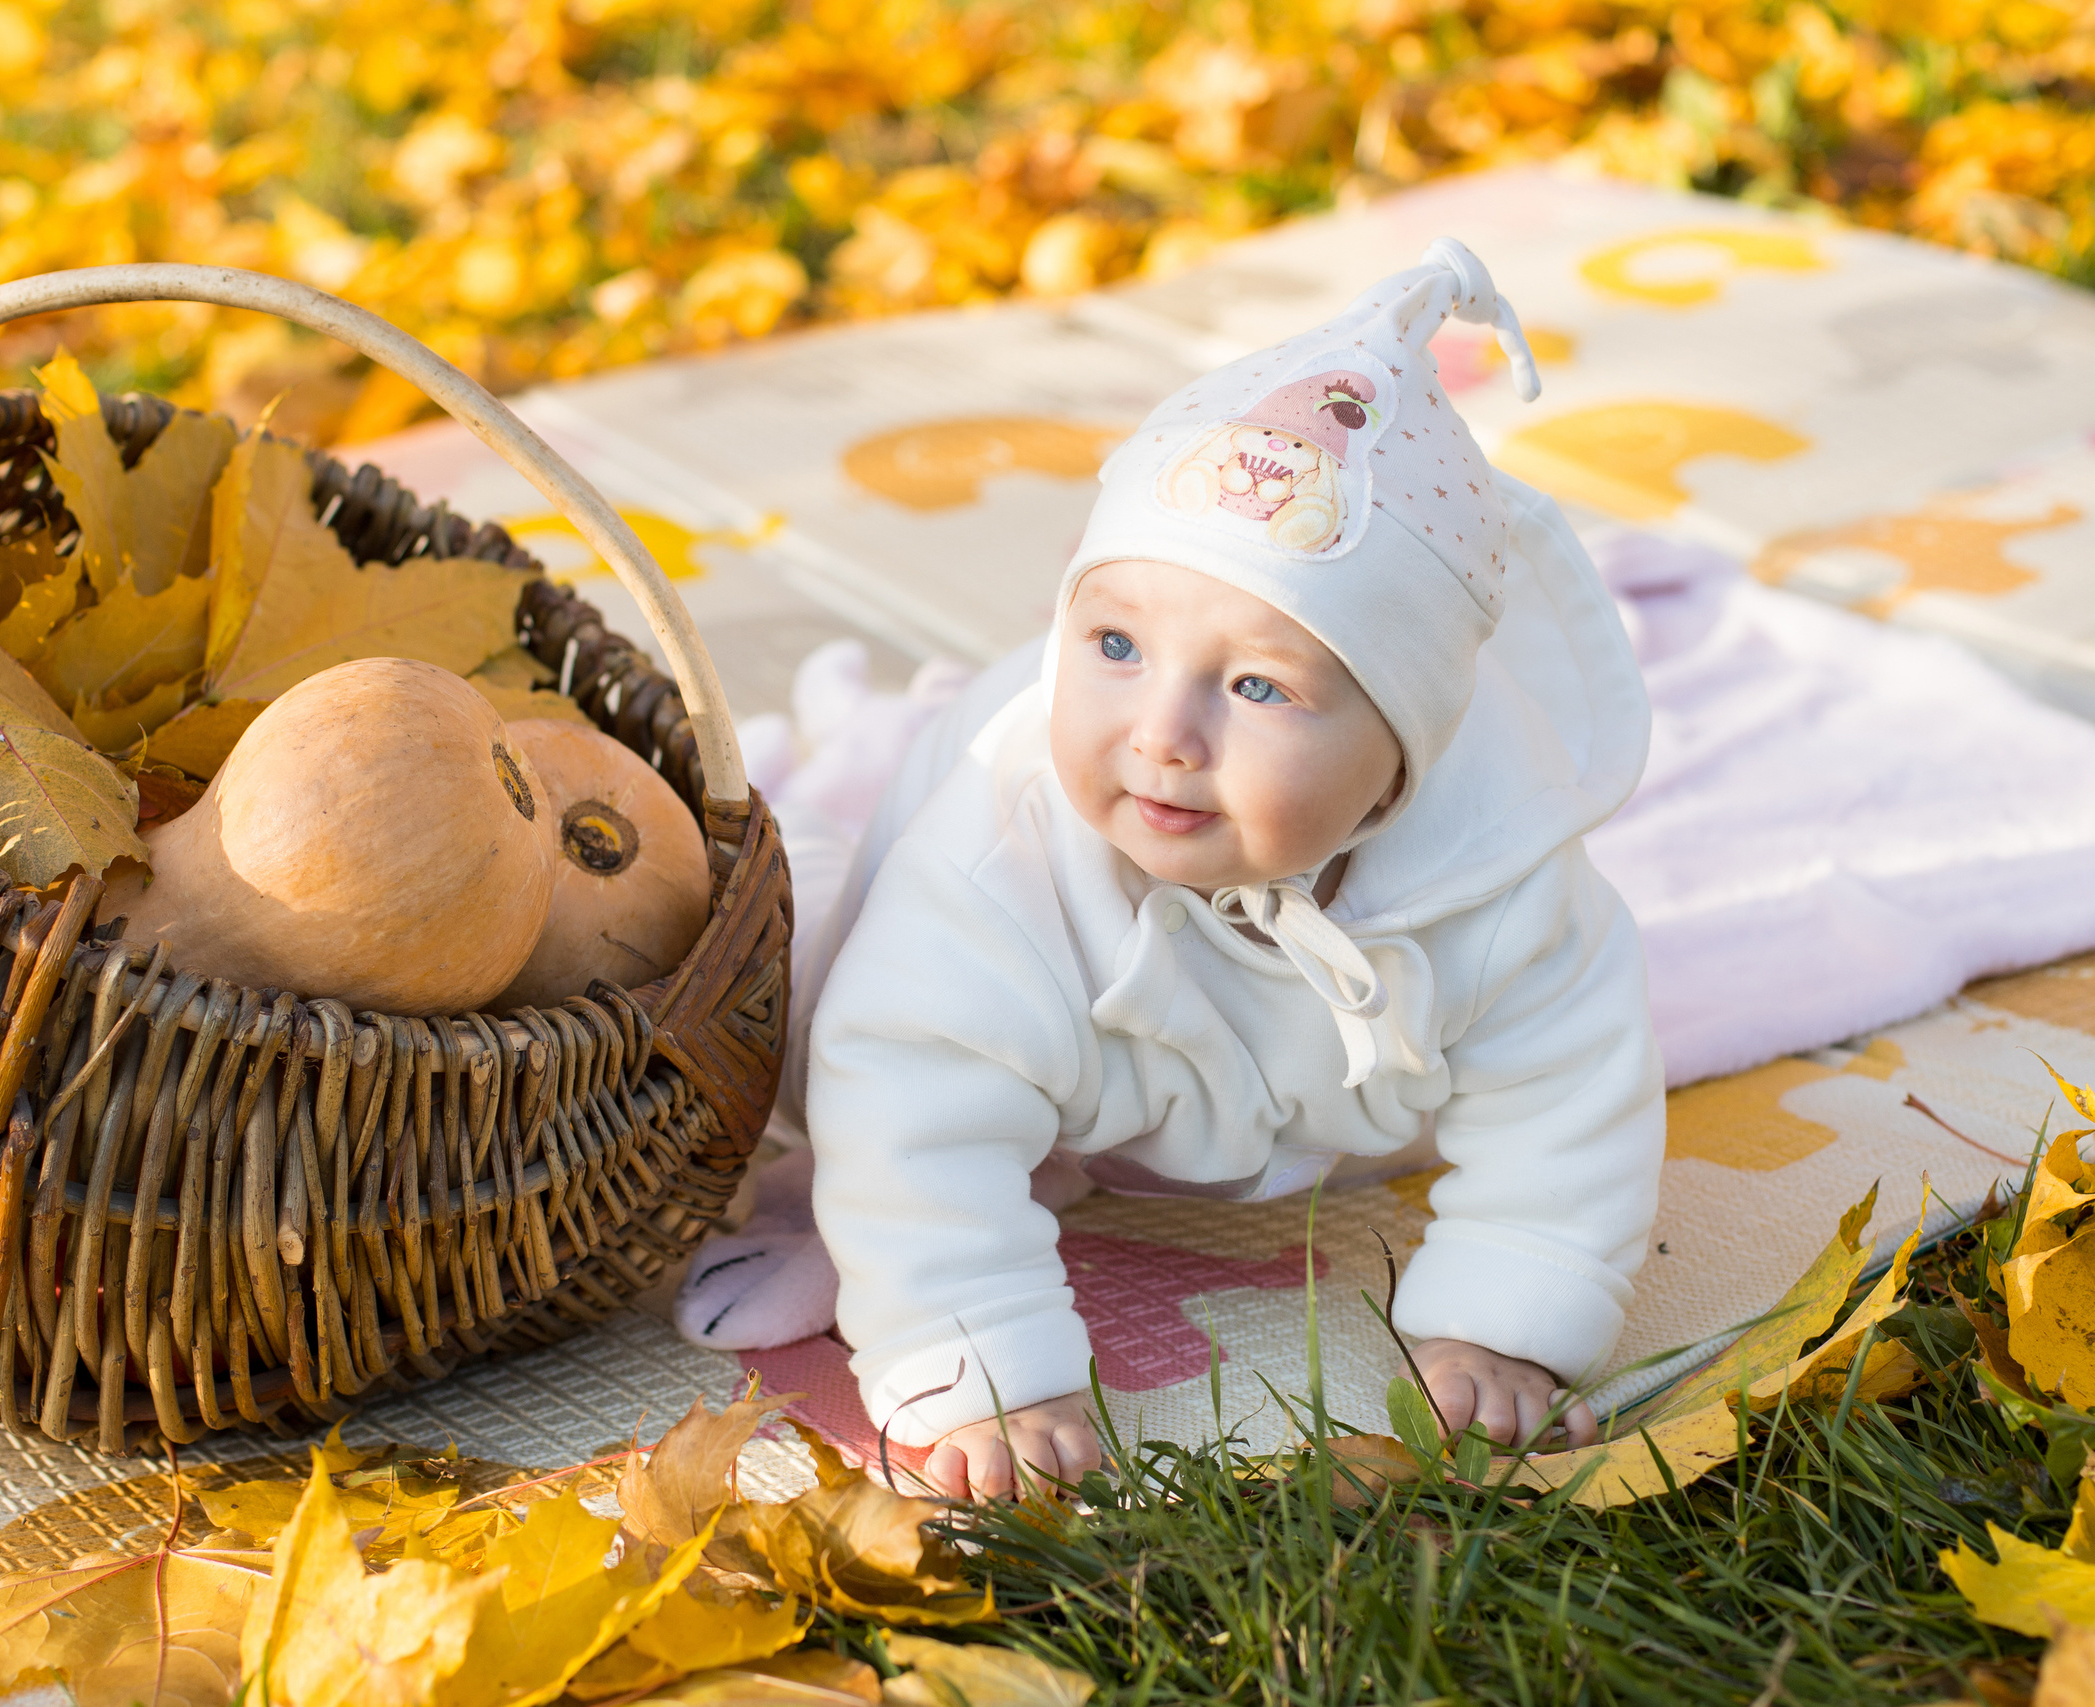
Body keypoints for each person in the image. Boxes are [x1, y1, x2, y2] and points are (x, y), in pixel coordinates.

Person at [696, 240, 1664, 1500]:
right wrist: (981, 1356)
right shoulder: (1000, 852)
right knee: (833, 1021)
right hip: (1024, 1003)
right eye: (1113, 643)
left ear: (1400, 762)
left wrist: (1508, 1304)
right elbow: (908, 1090)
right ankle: (879, 1194)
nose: (1161, 731)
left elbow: (1571, 1087)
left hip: (1300, 1041)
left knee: (1560, 1048)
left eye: (1258, 684)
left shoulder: (1508, 876)